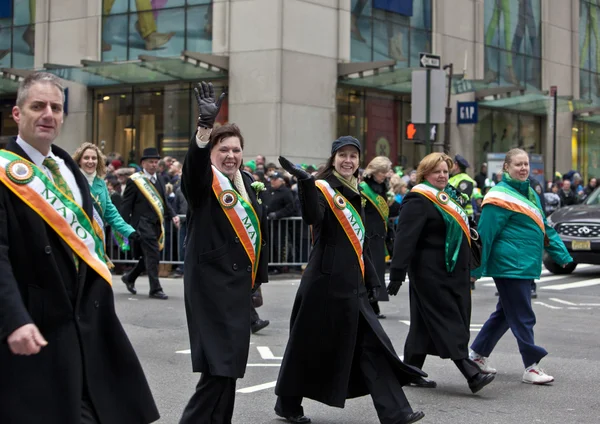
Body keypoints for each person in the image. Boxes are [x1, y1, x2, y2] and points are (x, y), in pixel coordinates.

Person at [0, 72, 159, 423]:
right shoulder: (4, 170)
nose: (48, 114)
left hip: (86, 319)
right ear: (17, 114)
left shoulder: (67, 167)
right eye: (37, 106)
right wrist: (13, 319)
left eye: (56, 107)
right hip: (36, 320)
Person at [275, 136, 426, 424]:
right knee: (305, 345)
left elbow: (360, 244)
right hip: (324, 282)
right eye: (342, 155)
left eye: (353, 156)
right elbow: (312, 216)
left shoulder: (355, 190)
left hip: (351, 283)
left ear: (359, 161)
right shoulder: (323, 188)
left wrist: (371, 280)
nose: (348, 160)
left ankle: (395, 411)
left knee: (371, 346)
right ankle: (287, 404)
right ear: (333, 159)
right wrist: (306, 182)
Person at [179, 82, 269, 424]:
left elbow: (257, 239)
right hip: (210, 289)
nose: (230, 155)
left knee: (227, 371)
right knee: (219, 370)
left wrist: (257, 283)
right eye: (223, 150)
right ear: (212, 154)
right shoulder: (205, 184)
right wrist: (204, 128)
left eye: (236, 149)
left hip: (238, 292)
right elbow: (194, 171)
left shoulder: (246, 183)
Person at [388, 153, 495, 394]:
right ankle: (470, 372)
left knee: (422, 325)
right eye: (437, 171)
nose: (442, 175)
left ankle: (409, 371)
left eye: (446, 171)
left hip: (454, 272)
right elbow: (405, 238)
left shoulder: (448, 197)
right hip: (429, 274)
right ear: (424, 174)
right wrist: (397, 273)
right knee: (448, 321)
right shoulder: (418, 199)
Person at [469, 148, 572, 385]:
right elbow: (485, 235)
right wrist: (475, 271)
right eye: (518, 164)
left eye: (525, 164)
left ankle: (476, 355)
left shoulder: (531, 193)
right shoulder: (498, 196)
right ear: (506, 167)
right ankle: (531, 366)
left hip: (525, 264)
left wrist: (562, 255)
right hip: (509, 265)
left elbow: (544, 228)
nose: (523, 168)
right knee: (523, 314)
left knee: (505, 314)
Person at [120, 147, 179, 299]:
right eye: (150, 162)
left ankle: (129, 278)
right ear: (143, 163)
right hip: (141, 225)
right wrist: (123, 227)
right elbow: (127, 205)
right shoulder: (135, 181)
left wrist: (173, 215)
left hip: (156, 225)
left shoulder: (160, 178)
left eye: (155, 162)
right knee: (153, 255)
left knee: (148, 256)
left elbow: (164, 201)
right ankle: (155, 288)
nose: (153, 165)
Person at [72, 142, 138, 259]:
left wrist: (129, 231)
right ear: (79, 161)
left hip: (97, 240)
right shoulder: (72, 180)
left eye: (94, 158)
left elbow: (110, 212)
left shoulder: (101, 183)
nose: (90, 161)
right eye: (86, 158)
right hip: (77, 237)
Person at [360, 156, 392, 319]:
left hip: (379, 235)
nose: (385, 175)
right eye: (383, 172)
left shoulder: (382, 187)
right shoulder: (364, 188)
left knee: (378, 270)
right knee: (370, 270)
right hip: (368, 234)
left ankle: (374, 302)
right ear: (374, 172)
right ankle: (371, 304)